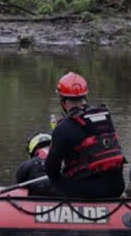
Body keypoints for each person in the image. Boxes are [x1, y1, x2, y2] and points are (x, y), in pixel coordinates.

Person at [43, 71, 126, 199]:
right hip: (117, 187)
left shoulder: (63, 128)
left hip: (87, 191)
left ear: (63, 101)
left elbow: (51, 170)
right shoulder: (104, 117)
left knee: (49, 185)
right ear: (85, 97)